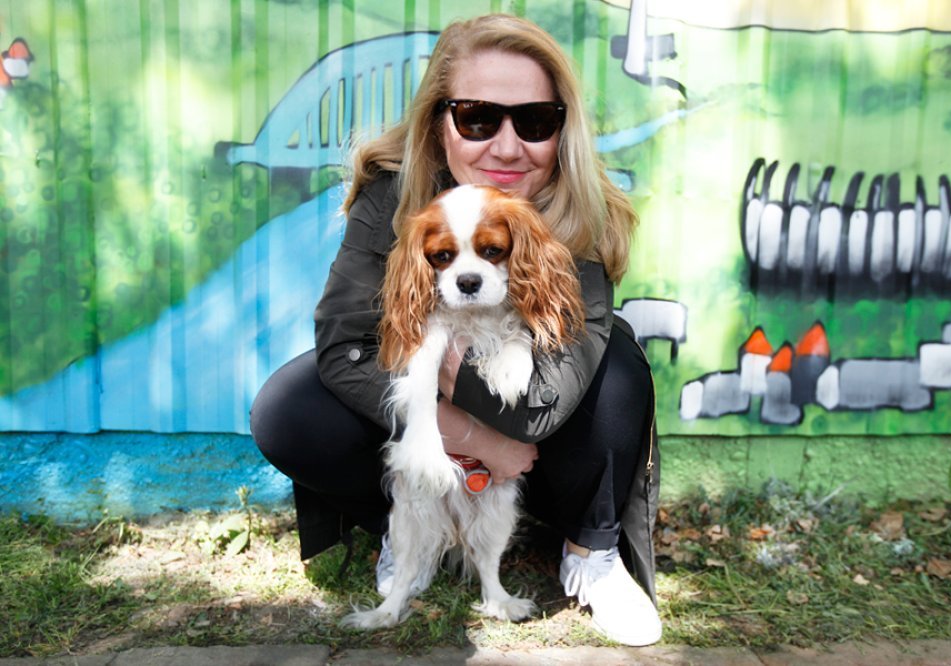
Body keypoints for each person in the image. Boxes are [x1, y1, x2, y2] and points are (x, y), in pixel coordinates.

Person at [250, 13, 662, 647]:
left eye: (535, 121)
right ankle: (412, 526)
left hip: (543, 449)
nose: (507, 147)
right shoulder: (393, 193)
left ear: (562, 130)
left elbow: (546, 404)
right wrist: (474, 437)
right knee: (290, 409)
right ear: (438, 122)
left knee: (620, 370)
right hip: (441, 437)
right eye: (477, 118)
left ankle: (590, 552)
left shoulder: (582, 204)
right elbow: (345, 346)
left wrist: (453, 376)